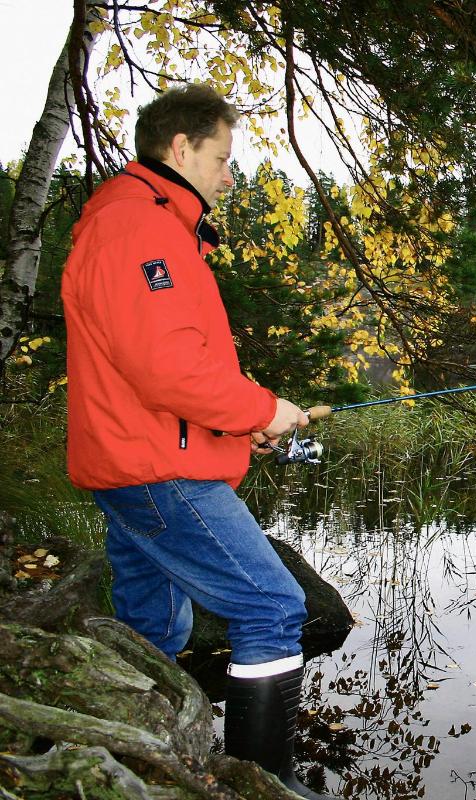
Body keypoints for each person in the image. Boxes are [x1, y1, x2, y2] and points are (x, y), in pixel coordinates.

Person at [61, 83, 334, 799]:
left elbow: (168, 365)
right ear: (180, 150)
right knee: (272, 607)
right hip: (154, 467)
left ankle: (141, 754)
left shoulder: (140, 222)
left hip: (135, 459)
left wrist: (249, 420)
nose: (229, 175)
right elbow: (169, 370)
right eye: (221, 158)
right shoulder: (139, 229)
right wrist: (265, 407)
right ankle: (261, 785)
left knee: (154, 621)